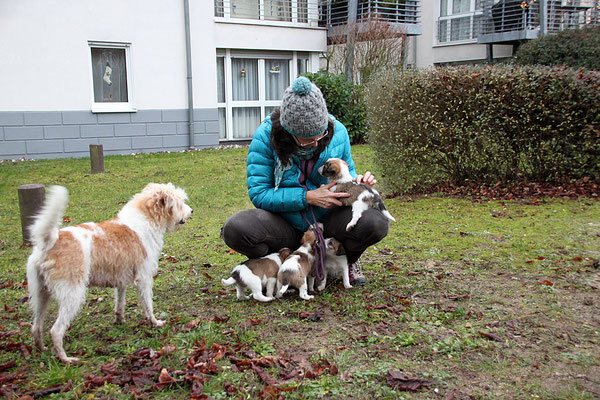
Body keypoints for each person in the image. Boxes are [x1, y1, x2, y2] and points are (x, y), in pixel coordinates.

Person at [221, 76, 389, 285]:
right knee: (236, 229)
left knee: (376, 221)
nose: (317, 142)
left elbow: (348, 172)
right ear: (290, 132)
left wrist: (358, 181)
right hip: (284, 224)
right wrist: (306, 197)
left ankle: (348, 259)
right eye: (309, 139)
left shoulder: (338, 132)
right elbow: (259, 193)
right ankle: (282, 259)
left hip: (328, 222)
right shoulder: (265, 137)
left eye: (321, 134)